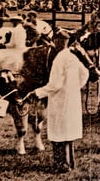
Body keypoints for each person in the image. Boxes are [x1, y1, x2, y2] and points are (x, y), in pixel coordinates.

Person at [32, 29, 90, 173]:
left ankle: (62, 165)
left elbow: (55, 84)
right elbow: (85, 73)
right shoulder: (73, 56)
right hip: (72, 99)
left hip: (60, 100)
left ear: (57, 42)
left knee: (59, 132)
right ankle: (70, 162)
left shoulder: (59, 58)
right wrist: (75, 87)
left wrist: (38, 92)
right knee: (68, 133)